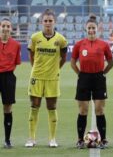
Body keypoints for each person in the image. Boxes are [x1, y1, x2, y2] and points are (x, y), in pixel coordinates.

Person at [25, 9, 68, 148]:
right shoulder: (35, 38)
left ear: (54, 22)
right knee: (34, 106)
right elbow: (31, 56)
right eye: (45, 21)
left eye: (50, 21)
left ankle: (52, 139)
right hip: (36, 77)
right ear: (41, 22)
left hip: (52, 78)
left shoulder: (61, 40)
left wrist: (55, 69)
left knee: (52, 107)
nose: (48, 23)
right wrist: (36, 69)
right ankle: (31, 139)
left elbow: (63, 58)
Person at [71, 14, 113, 149]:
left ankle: (104, 139)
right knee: (83, 110)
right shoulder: (79, 44)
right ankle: (79, 140)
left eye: (93, 28)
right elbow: (72, 62)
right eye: (89, 28)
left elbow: (111, 62)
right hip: (84, 78)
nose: (91, 30)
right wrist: (80, 74)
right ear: (85, 29)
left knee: (99, 110)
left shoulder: (104, 45)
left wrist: (103, 73)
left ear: (97, 29)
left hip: (98, 78)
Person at [0, 18, 21, 148]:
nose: (6, 28)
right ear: (0, 27)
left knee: (7, 108)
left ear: (11, 29)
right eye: (3, 26)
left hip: (8, 77)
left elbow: (16, 62)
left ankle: (7, 139)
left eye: (8, 26)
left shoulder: (16, 45)